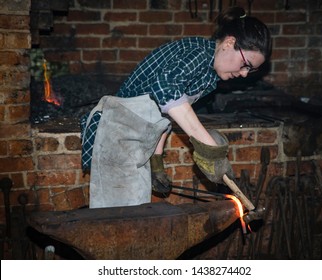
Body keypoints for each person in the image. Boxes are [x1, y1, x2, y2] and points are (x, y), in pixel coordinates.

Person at [81, 6, 272, 208]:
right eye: (245, 64)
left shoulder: (209, 78)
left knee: (133, 214)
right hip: (114, 136)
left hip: (136, 147)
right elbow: (165, 87)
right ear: (229, 43)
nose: (244, 74)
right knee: (117, 217)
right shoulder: (198, 53)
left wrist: (156, 161)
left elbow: (167, 113)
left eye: (250, 70)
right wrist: (209, 146)